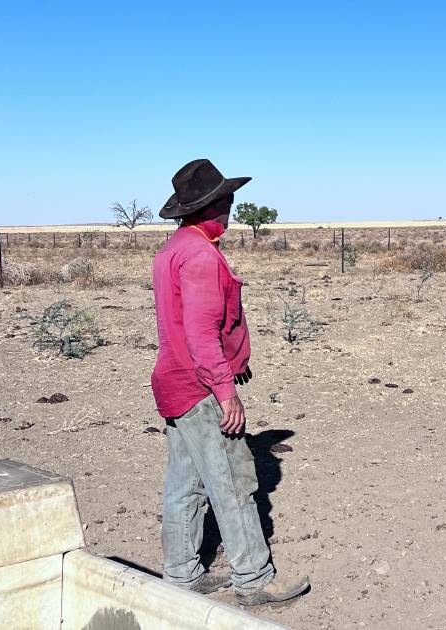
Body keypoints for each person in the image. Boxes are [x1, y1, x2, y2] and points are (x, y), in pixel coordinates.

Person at [151, 158, 309, 606]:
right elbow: (201, 334)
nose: (231, 210)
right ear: (211, 206)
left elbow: (187, 327)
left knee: (186, 481)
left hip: (173, 381)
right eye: (227, 202)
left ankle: (181, 573)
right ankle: (254, 577)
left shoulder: (172, 249)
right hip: (200, 387)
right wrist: (225, 391)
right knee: (234, 481)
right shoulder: (201, 254)